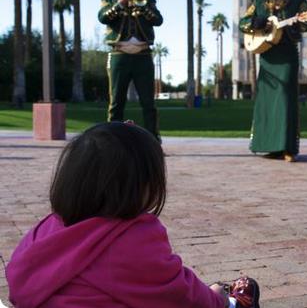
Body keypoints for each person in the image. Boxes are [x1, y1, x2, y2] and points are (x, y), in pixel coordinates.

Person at [6, 122, 260, 308]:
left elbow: (18, 285)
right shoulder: (133, 235)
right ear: (140, 186)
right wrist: (217, 299)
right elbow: (178, 294)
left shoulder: (46, 228)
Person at [239, 0, 307, 163]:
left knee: (286, 97)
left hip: (288, 54)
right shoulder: (259, 3)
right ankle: (269, 146)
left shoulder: (298, 0)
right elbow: (243, 24)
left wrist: (297, 23)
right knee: (267, 100)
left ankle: (287, 147)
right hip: (267, 56)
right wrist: (256, 23)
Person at [96, 0, 163, 141]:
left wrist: (141, 6)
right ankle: (112, 139)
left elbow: (158, 20)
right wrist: (122, 3)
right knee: (116, 102)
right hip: (119, 55)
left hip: (143, 55)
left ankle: (153, 139)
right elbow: (103, 17)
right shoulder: (108, 2)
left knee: (148, 102)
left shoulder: (148, 1)